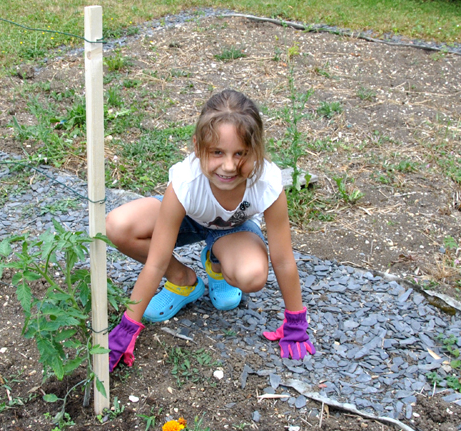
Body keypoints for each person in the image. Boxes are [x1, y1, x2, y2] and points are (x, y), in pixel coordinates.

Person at [106, 89, 314, 371]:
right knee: (117, 226)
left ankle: (217, 263)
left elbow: (283, 259)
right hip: (187, 219)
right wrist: (127, 327)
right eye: (217, 152)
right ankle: (183, 280)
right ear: (197, 146)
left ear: (256, 151)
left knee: (252, 275)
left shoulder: (267, 183)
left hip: (233, 229)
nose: (228, 166)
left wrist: (295, 321)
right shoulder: (185, 183)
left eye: (240, 153)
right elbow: (155, 262)